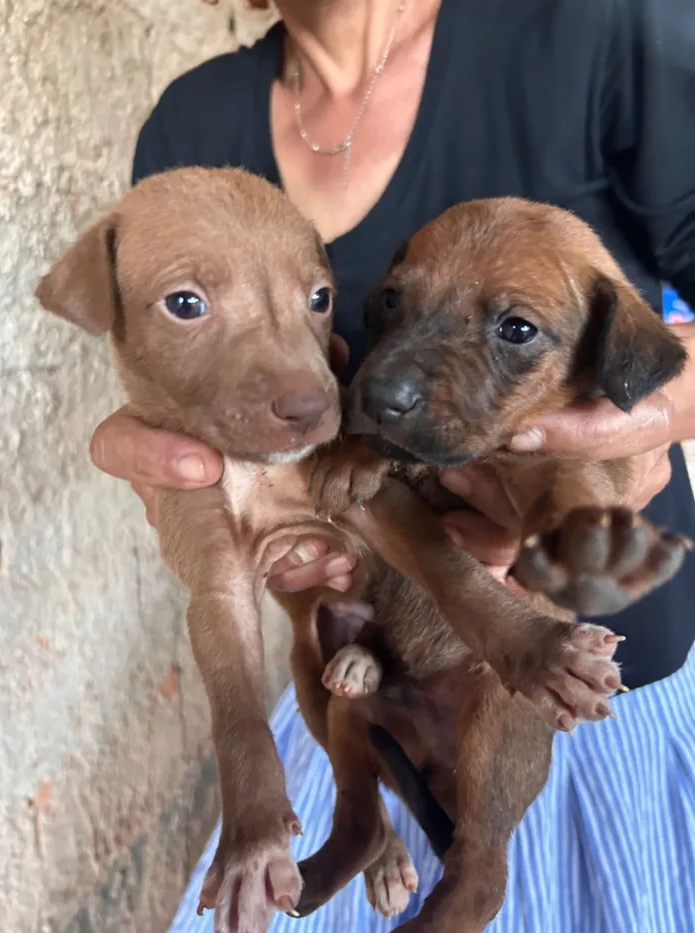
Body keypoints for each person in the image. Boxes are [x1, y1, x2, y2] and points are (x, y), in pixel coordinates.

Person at [93, 0, 695, 929]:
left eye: (514, 329)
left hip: (599, 691)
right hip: (357, 661)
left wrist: (645, 416)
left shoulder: (596, 26)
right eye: (388, 309)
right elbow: (177, 384)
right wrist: (184, 472)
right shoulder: (192, 124)